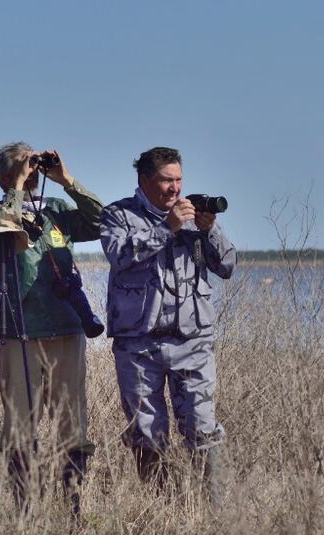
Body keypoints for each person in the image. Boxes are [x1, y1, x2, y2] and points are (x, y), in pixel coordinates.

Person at [100, 146, 237, 505]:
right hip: (138, 346)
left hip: (192, 343)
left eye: (178, 180)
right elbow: (119, 255)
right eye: (166, 181)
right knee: (146, 433)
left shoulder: (193, 215)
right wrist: (167, 227)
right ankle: (163, 511)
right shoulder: (118, 215)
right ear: (144, 181)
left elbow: (227, 266)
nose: (175, 189)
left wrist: (210, 230)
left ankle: (215, 513)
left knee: (203, 429)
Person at [0, 142, 103, 518]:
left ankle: (74, 508)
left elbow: (101, 223)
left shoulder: (58, 211)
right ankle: (25, 511)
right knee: (19, 425)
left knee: (72, 423)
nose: (33, 171)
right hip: (19, 330)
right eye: (24, 166)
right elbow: (1, 226)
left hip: (66, 328)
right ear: (3, 176)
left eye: (34, 164)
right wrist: (15, 187)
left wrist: (66, 181)